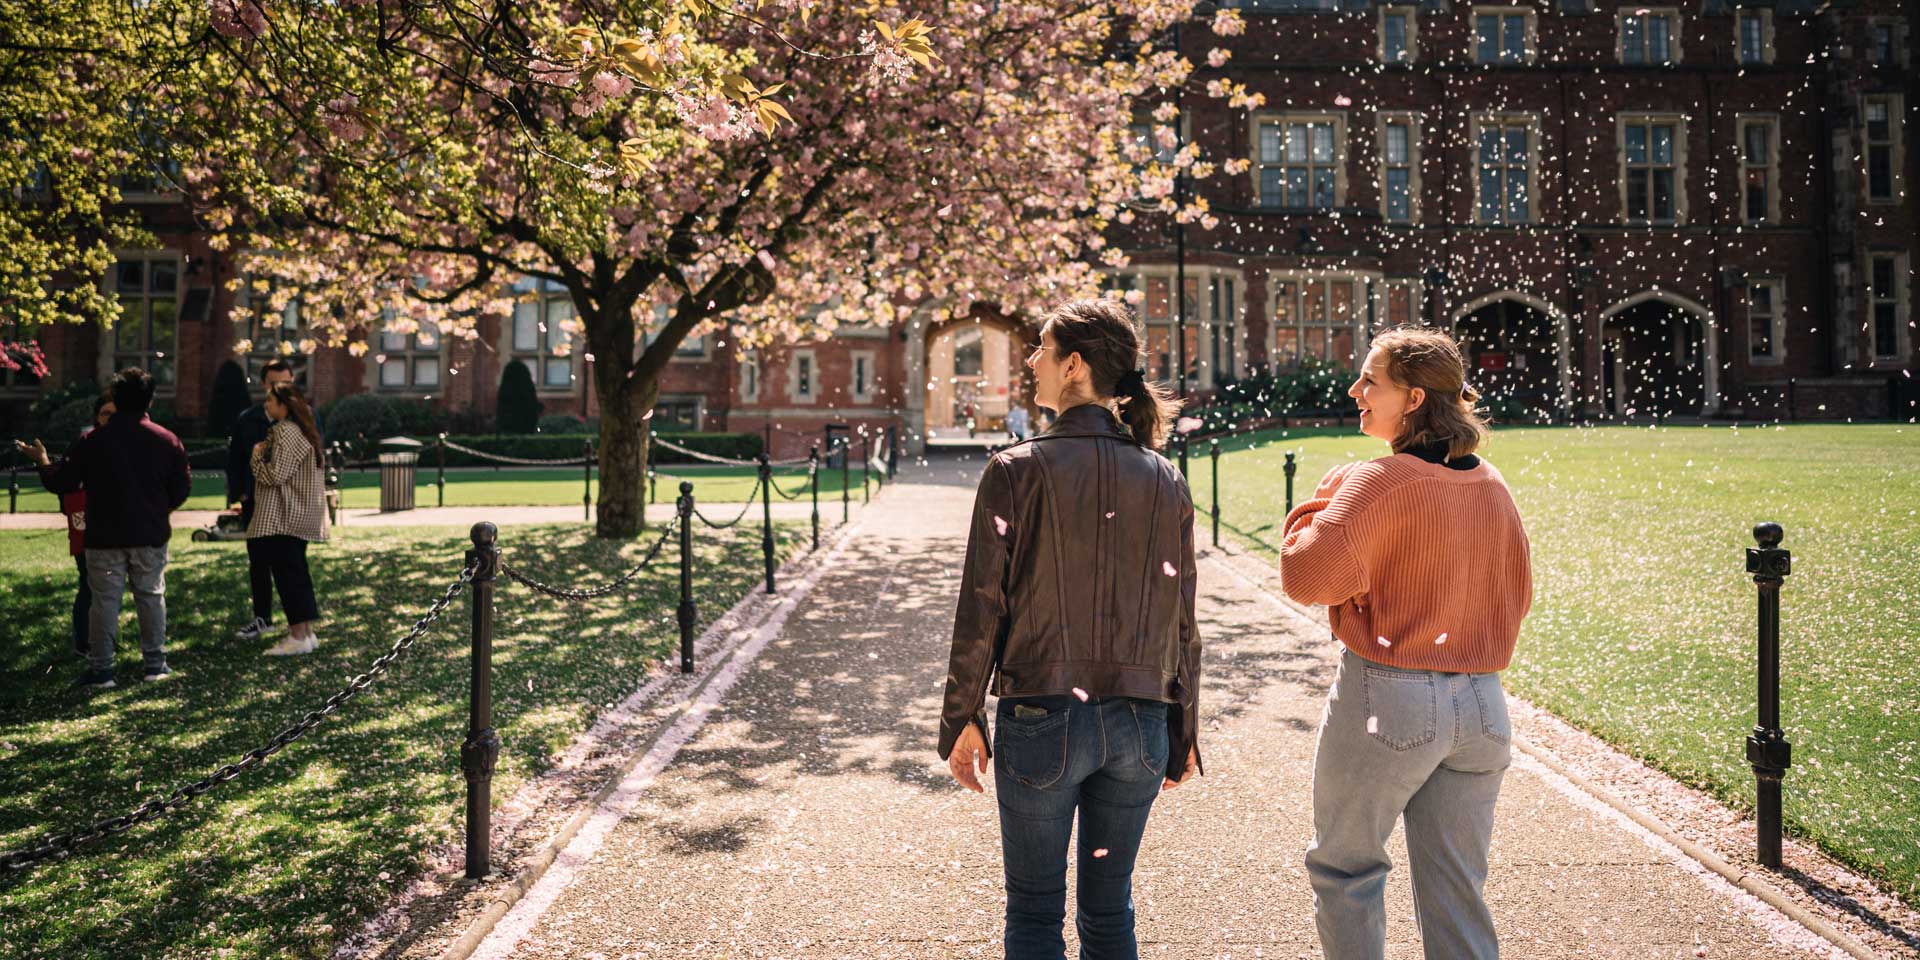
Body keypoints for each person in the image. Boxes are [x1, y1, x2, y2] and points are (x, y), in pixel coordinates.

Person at [939, 297, 1202, 960]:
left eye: (1043, 350)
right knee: (1110, 911)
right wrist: (1184, 728)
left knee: (1033, 912)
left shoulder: (1015, 469)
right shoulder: (1165, 477)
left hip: (1042, 719)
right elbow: (1183, 620)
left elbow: (982, 607)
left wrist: (961, 717)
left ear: (1074, 366)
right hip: (1140, 725)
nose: (1031, 360)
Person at [1279, 326, 1533, 960]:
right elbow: (1517, 596)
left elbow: (1305, 577)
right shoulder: (1492, 485)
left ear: (1414, 398)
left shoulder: (1376, 480)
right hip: (1483, 705)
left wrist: (1320, 504)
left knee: (1347, 870)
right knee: (1457, 891)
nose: (1355, 389)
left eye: (1372, 380)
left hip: (1389, 698)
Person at [25, 368, 190, 688]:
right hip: (149, 533)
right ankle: (155, 664)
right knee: (151, 596)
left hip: (104, 535)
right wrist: (158, 508)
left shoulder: (92, 440)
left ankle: (102, 670)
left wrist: (44, 463)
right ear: (149, 400)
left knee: (104, 601)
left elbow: (64, 481)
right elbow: (181, 487)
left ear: (115, 397)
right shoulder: (166, 440)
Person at [15, 393, 116, 657]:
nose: (111, 419)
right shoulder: (83, 445)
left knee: (109, 588)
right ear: (97, 417)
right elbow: (62, 480)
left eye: (115, 414)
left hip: (119, 529)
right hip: (87, 529)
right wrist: (43, 460)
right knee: (90, 585)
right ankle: (86, 643)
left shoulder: (130, 444)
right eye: (106, 413)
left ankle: (104, 640)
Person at [248, 382, 330, 656]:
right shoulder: (305, 431)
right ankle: (305, 634)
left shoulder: (286, 431)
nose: (267, 406)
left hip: (284, 516)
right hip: (300, 515)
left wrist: (257, 457)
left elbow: (275, 475)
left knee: (287, 577)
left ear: (284, 405)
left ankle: (297, 636)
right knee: (297, 574)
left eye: (271, 401)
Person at [227, 359, 296, 642]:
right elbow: (235, 462)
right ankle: (262, 618)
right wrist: (239, 493)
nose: (279, 388)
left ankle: (297, 622)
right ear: (263, 385)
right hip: (257, 502)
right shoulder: (248, 419)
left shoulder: (302, 417)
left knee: (292, 563)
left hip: (292, 502)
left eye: (285, 383)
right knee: (259, 562)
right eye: (273, 383)